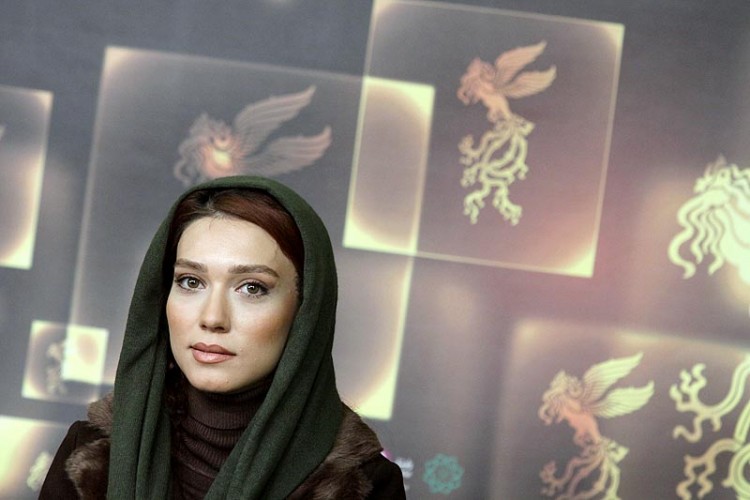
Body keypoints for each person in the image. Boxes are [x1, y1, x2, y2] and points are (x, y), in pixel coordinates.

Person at [40, 176, 406, 499]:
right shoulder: (91, 453)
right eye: (190, 282)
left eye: (252, 287)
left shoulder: (363, 485)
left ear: (306, 310)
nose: (212, 317)